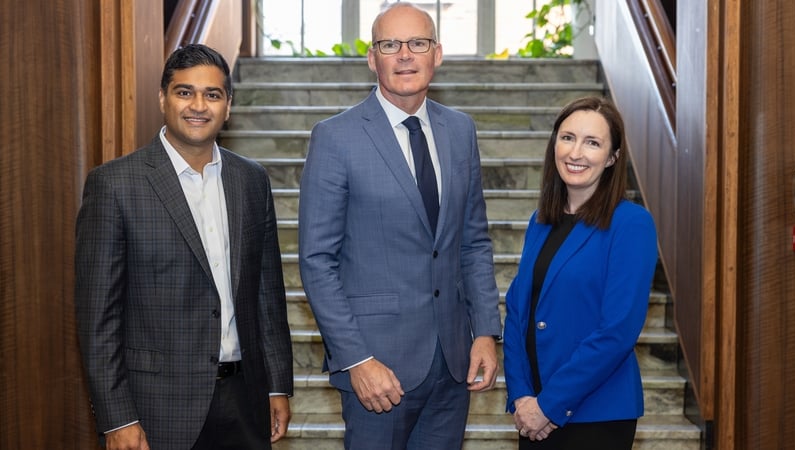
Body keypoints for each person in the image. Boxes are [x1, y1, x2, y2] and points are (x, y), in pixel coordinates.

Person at [298, 2, 502, 449]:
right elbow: (316, 261)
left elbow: (473, 241)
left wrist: (485, 332)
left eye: (418, 43)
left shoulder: (460, 131)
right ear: (373, 58)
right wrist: (356, 359)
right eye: (390, 44)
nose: (405, 55)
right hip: (377, 370)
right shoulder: (336, 137)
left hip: (452, 364)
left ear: (437, 54)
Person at [75, 44, 293, 450]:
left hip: (245, 399)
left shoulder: (251, 181)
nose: (199, 105)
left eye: (212, 94)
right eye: (184, 92)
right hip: (157, 408)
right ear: (163, 99)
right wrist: (117, 416)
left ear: (228, 105)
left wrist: (277, 385)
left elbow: (267, 294)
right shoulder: (115, 185)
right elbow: (97, 319)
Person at [502, 96, 658, 449]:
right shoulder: (540, 222)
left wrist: (550, 405)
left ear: (612, 158)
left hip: (596, 415)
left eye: (593, 143)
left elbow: (617, 331)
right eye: (568, 137)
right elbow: (517, 312)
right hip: (532, 414)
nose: (576, 153)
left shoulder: (631, 224)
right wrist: (522, 396)